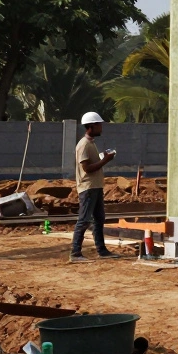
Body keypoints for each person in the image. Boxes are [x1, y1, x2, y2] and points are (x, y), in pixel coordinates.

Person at [70, 112, 119, 263]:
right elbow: (87, 168)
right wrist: (105, 160)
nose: (101, 127)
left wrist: (102, 157)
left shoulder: (91, 143)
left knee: (99, 219)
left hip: (95, 186)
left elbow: (92, 163)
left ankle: (102, 250)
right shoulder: (83, 145)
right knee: (84, 219)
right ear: (91, 126)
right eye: (99, 125)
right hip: (88, 187)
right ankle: (75, 253)